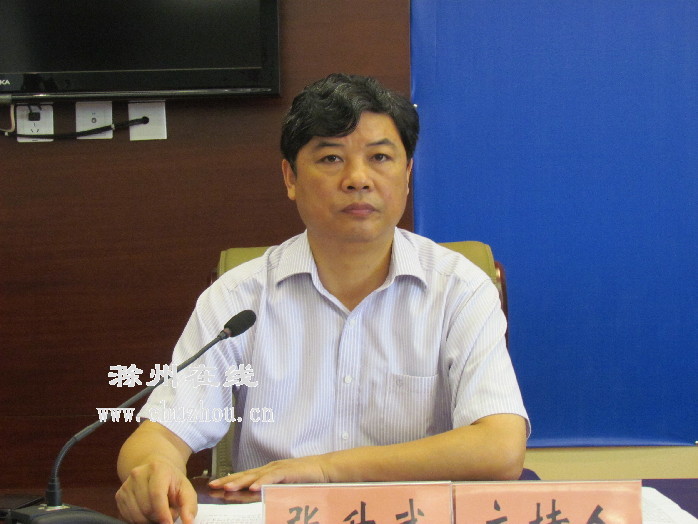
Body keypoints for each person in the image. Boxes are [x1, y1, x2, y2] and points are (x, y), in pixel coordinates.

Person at [116, 73, 529, 524]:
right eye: (331, 158)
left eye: (380, 157)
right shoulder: (236, 298)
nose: (358, 179)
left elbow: (500, 446)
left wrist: (325, 470)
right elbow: (162, 433)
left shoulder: (459, 289)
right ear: (290, 177)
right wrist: (153, 469)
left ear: (407, 175)